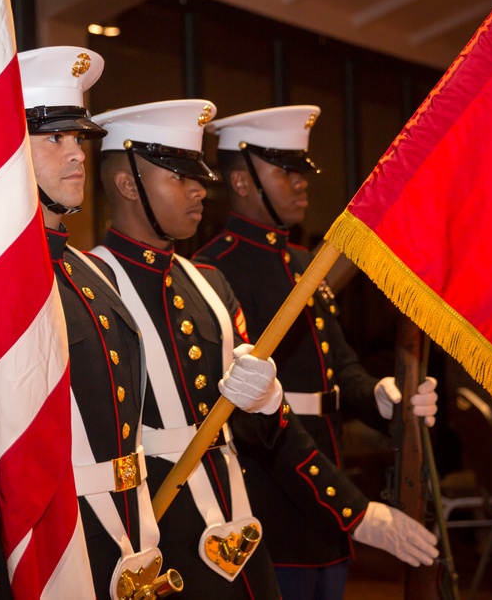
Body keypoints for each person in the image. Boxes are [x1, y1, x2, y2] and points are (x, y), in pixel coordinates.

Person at [90, 101, 439, 599]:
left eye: (198, 176)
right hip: (177, 525)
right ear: (128, 185)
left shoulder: (207, 283)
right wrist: (350, 507)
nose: (198, 189)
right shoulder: (102, 283)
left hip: (244, 514)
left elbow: (316, 379)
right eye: (179, 176)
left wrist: (378, 398)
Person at [195, 106, 440, 599]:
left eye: (301, 172)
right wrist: (350, 506)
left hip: (327, 496)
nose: (301, 184)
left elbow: (338, 366)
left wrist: (380, 397)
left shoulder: (302, 263)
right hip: (271, 499)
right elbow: (250, 416)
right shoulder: (213, 272)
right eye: (286, 172)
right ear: (241, 181)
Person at [18, 45, 182, 599]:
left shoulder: (87, 271)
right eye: (54, 139)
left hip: (128, 530)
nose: (77, 155)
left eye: (79, 140)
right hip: (58, 536)